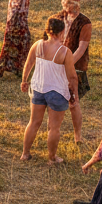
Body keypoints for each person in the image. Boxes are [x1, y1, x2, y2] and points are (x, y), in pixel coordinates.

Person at [21, 17, 78, 166]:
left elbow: (28, 64)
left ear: (47, 30)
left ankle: (25, 153)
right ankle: (52, 158)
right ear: (61, 33)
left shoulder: (38, 45)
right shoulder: (65, 52)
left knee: (33, 122)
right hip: (57, 92)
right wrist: (75, 94)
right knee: (54, 128)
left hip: (38, 88)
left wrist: (24, 80)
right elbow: (72, 76)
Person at [52, 0, 92, 142]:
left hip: (75, 66)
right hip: (56, 64)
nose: (63, 4)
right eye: (63, 1)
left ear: (74, 4)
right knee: (54, 99)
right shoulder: (57, 18)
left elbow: (81, 48)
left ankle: (77, 135)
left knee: (73, 102)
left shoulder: (84, 23)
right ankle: (53, 130)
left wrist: (67, 64)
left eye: (67, 2)